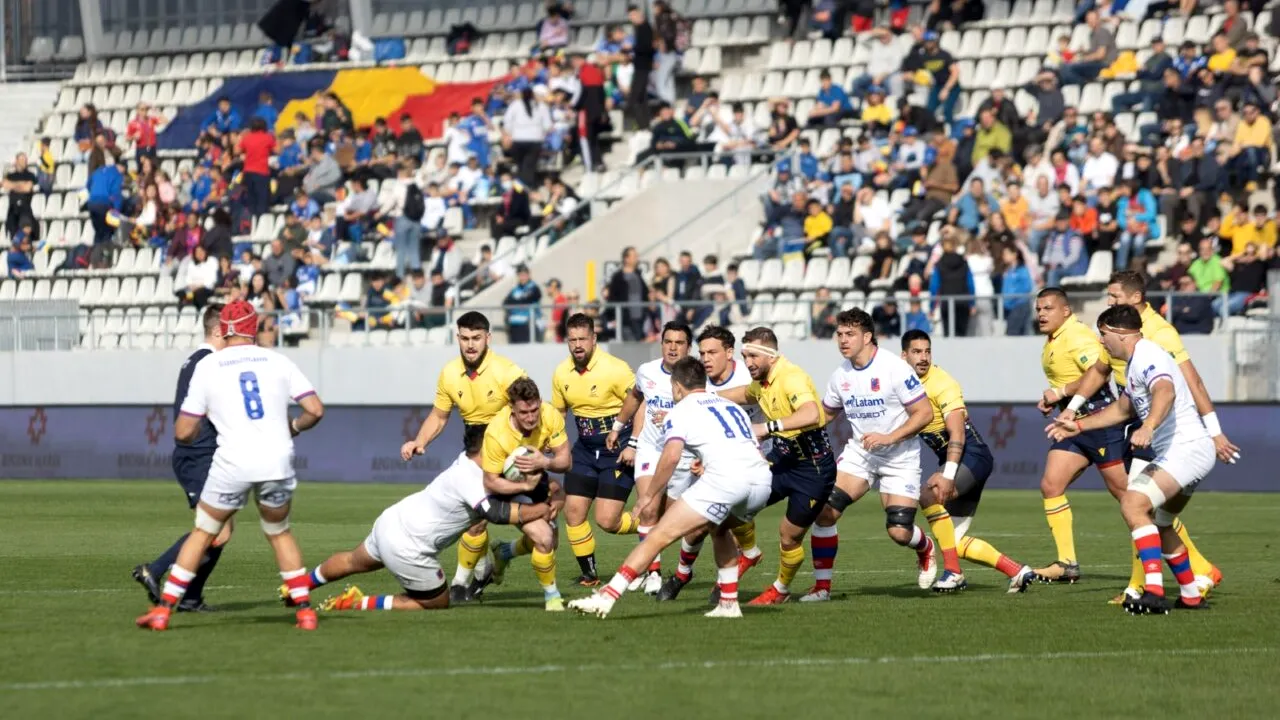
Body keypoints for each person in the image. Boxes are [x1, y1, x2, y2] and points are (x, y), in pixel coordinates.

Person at [135, 301, 325, 631]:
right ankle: (305, 613)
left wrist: (194, 430)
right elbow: (315, 410)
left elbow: (183, 431)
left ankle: (164, 610)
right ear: (254, 329)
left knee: (204, 532)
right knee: (280, 534)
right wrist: (292, 428)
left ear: (224, 329)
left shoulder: (209, 366)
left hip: (231, 461)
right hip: (276, 459)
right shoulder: (279, 361)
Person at [1053, 271, 1233, 601]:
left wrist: (1150, 426)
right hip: (1178, 449)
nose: (1100, 341)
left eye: (1103, 335)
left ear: (1121, 331)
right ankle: (1192, 589)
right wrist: (1077, 422)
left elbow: (1168, 389)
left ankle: (1148, 589)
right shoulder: (1133, 357)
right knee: (1158, 520)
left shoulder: (1152, 346)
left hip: (1183, 448)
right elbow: (1121, 409)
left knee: (1134, 504)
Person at [568, 356, 773, 619]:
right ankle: (729, 603)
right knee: (719, 529)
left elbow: (671, 456)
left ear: (677, 387)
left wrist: (648, 495)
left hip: (727, 481)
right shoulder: (729, 405)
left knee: (657, 536)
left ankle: (606, 597)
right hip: (761, 481)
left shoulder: (680, 411)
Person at [301, 420, 559, 613]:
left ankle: (297, 586)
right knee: (437, 601)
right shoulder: (471, 479)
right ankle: (361, 602)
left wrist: (542, 488)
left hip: (392, 521)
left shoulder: (467, 464)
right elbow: (497, 513)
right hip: (409, 547)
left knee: (351, 560)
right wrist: (542, 508)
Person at [795, 309, 935, 602]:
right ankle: (822, 588)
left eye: (850, 335)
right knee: (824, 511)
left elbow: (924, 413)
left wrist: (889, 437)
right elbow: (826, 414)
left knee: (898, 531)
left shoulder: (894, 368)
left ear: (867, 337)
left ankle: (925, 548)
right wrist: (791, 429)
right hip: (861, 453)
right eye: (840, 335)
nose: (843, 341)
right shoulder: (840, 375)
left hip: (900, 456)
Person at [399, 312, 526, 604]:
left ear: (488, 339)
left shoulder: (507, 372)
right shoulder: (449, 373)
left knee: (544, 531)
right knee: (474, 520)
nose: (470, 345)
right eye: (465, 338)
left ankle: (504, 553)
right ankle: (461, 584)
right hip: (476, 452)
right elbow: (439, 416)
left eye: (476, 338)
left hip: (510, 450)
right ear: (457, 338)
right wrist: (419, 441)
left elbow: (529, 410)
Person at [901, 330, 1037, 593]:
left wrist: (949, 473)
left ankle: (953, 573)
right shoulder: (902, 383)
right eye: (917, 352)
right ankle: (1017, 571)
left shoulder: (942, 383)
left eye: (927, 351)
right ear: (903, 355)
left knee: (928, 494)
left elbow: (958, 433)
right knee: (954, 540)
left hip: (971, 456)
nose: (924, 357)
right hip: (958, 459)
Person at [713, 327, 836, 605]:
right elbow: (746, 393)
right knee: (735, 506)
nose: (749, 362)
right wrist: (708, 397)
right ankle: (749, 552)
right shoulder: (763, 380)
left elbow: (812, 413)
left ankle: (780, 589)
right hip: (783, 461)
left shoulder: (791, 377)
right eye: (745, 356)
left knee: (788, 536)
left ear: (771, 354)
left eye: (754, 355)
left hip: (813, 468)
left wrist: (767, 428)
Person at [131, 307, 230, 612]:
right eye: (229, 333)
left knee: (220, 530)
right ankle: (155, 570)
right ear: (216, 332)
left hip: (201, 454)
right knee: (215, 530)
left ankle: (190, 597)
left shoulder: (196, 360)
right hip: (198, 455)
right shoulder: (209, 362)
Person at [1029, 288, 1130, 583]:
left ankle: (1188, 558)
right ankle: (1066, 563)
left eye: (1048, 308)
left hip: (1099, 422)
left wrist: (1060, 393)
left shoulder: (1076, 335)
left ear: (1066, 310)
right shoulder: (1054, 339)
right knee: (1051, 485)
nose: (1042, 314)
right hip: (1072, 424)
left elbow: (1098, 374)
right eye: (1038, 309)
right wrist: (1055, 401)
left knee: (1129, 497)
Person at [655, 325, 757, 601]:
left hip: (754, 463)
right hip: (712, 461)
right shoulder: (700, 382)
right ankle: (690, 574)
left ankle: (693, 578)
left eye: (712, 352)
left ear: (730, 353)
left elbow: (765, 401)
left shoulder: (751, 374)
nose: (706, 358)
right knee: (699, 523)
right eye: (702, 353)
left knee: (712, 522)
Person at [606, 322, 694, 595]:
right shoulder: (647, 372)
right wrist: (618, 427)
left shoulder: (696, 377)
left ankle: (682, 571)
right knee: (648, 509)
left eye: (679, 343)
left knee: (677, 520)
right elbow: (636, 398)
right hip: (651, 448)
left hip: (683, 453)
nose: (672, 347)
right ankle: (653, 573)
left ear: (688, 347)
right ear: (661, 344)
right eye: (668, 341)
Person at [553, 313, 640, 586]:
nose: (577, 344)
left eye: (582, 339)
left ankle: (653, 522)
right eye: (572, 340)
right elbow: (558, 413)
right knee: (574, 511)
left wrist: (634, 442)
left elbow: (641, 403)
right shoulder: (561, 373)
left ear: (594, 339)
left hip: (619, 447)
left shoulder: (616, 368)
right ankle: (589, 574)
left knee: (607, 521)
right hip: (585, 449)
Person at [480, 377, 572, 611]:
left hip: (536, 475)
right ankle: (552, 596)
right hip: (506, 487)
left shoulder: (550, 415)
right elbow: (490, 481)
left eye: (534, 410)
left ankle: (504, 552)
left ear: (540, 403)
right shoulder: (496, 434)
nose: (531, 417)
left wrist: (545, 462)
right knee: (543, 537)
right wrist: (524, 488)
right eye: (524, 413)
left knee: (552, 539)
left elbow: (565, 461)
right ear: (512, 408)